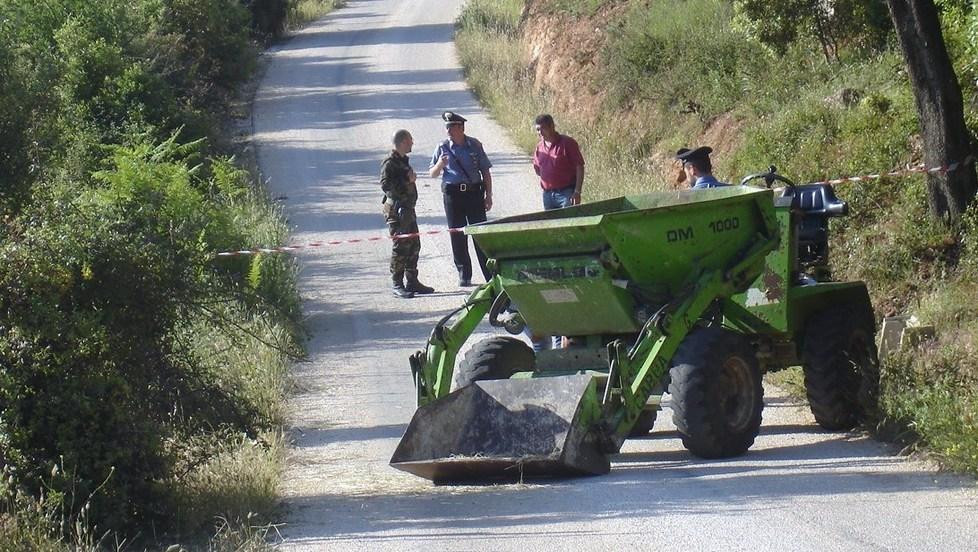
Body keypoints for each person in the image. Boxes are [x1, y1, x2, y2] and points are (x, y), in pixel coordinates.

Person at [429, 111, 494, 287]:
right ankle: (464, 273)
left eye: (451, 126)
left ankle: (489, 273)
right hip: (453, 195)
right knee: (457, 233)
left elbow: (485, 171)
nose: (448, 130)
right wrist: (440, 164)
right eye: (447, 127)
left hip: (474, 193)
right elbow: (432, 174)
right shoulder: (442, 147)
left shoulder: (474, 145)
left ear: (461, 127)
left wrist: (489, 195)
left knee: (479, 233)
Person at [381, 129, 434, 299]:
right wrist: (407, 180)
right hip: (397, 211)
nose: (413, 143)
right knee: (401, 246)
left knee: (414, 245)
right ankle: (397, 283)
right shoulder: (390, 163)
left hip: (408, 210)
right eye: (410, 140)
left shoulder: (403, 161)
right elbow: (386, 185)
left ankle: (412, 281)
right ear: (403, 141)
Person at [533, 114, 585, 208]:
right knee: (550, 222)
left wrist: (577, 192)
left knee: (568, 222)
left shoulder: (567, 143)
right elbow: (537, 169)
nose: (540, 132)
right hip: (547, 195)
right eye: (537, 130)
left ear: (552, 126)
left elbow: (579, 167)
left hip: (566, 194)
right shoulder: (539, 147)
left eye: (543, 128)